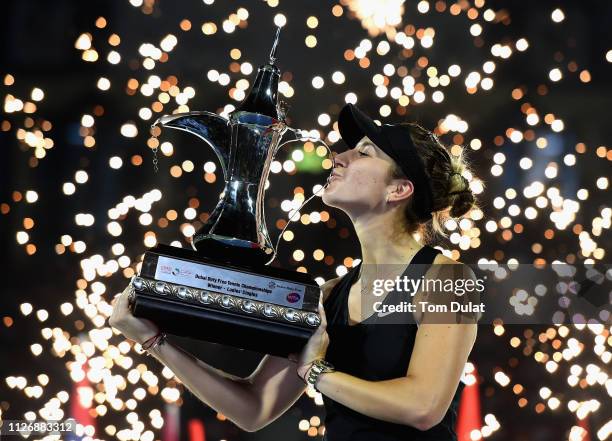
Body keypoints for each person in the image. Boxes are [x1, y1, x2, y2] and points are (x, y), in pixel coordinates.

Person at [109, 103, 481, 440]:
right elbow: (254, 408)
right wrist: (155, 342)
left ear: (399, 189)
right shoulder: (329, 295)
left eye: (364, 152)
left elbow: (424, 407)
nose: (340, 157)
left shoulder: (449, 281)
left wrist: (317, 373)